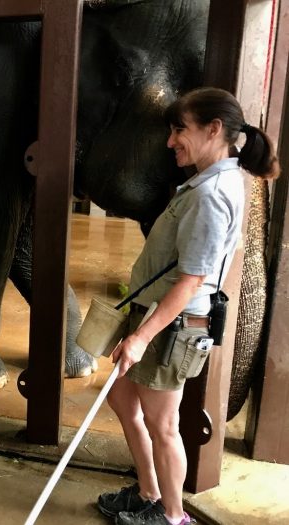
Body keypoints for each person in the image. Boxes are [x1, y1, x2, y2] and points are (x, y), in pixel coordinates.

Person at [96, 87, 280, 525]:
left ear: (214, 129)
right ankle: (148, 491)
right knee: (123, 400)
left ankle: (173, 516)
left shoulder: (210, 195)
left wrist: (141, 337)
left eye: (181, 129)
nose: (170, 140)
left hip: (172, 326)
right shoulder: (207, 183)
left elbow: (191, 280)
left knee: (163, 427)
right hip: (157, 318)